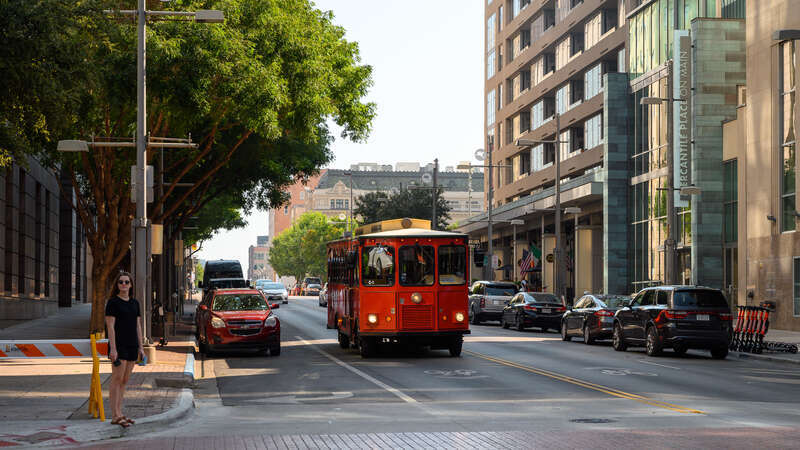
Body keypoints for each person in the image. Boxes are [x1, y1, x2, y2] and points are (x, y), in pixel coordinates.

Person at [105, 271, 144, 428]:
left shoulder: (135, 303)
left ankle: (120, 413)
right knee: (117, 379)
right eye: (120, 282)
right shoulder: (113, 303)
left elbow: (138, 326)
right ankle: (115, 415)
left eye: (126, 282)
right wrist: (113, 349)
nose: (123, 284)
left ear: (131, 285)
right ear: (117, 285)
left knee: (125, 380)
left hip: (132, 345)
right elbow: (110, 327)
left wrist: (141, 347)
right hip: (119, 346)